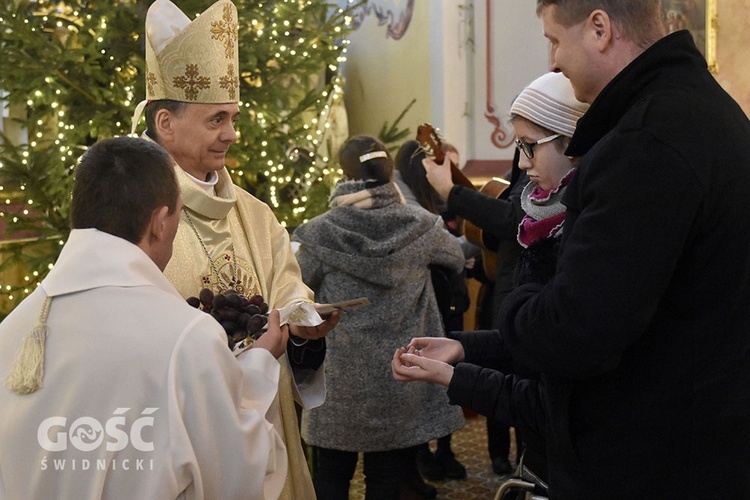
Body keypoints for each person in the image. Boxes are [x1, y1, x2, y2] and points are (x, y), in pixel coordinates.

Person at [396, 1, 750, 497]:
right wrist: (470, 347)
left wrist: (520, 289)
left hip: (652, 464)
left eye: (554, 39)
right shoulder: (701, 110)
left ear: (600, 28)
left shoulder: (646, 140)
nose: (552, 61)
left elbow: (574, 334)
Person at [0, 137, 288, 499]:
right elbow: (237, 476)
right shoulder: (188, 339)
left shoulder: (12, 329)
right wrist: (259, 367)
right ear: (160, 224)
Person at [130, 2, 340, 498]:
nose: (232, 134)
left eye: (233, 117)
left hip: (265, 424)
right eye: (216, 120)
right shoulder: (137, 217)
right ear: (166, 123)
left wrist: (305, 327)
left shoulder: (256, 215)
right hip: (184, 434)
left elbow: (289, 290)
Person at [395, 72, 589, 493]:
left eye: (529, 147)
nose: (521, 163)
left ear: (572, 144)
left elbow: (552, 400)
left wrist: (453, 377)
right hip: (548, 459)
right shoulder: (543, 216)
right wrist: (464, 347)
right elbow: (531, 344)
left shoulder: (580, 238)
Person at [292, 135, 466, 500]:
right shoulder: (422, 226)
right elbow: (455, 257)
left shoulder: (321, 231)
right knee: (387, 480)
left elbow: (298, 284)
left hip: (339, 380)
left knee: (332, 477)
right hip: (398, 374)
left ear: (344, 173)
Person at [394, 139, 472, 484]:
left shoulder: (433, 195)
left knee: (449, 370)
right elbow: (452, 251)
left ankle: (446, 448)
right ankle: (423, 453)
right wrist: (471, 246)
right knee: (424, 375)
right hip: (427, 302)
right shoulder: (407, 201)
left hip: (448, 299)